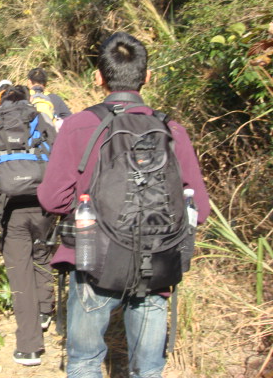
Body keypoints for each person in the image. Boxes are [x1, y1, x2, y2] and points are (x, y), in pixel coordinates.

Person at [37, 32, 210, 378]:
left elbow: (52, 199)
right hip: (156, 264)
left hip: (92, 259)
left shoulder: (78, 126)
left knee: (85, 361)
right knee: (148, 368)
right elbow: (200, 210)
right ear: (148, 76)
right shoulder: (172, 130)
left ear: (98, 77)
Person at [0, 84, 57, 367]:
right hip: (43, 202)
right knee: (41, 254)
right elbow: (58, 156)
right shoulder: (39, 119)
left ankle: (29, 347)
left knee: (20, 272)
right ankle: (44, 311)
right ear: (27, 100)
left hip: (9, 208)